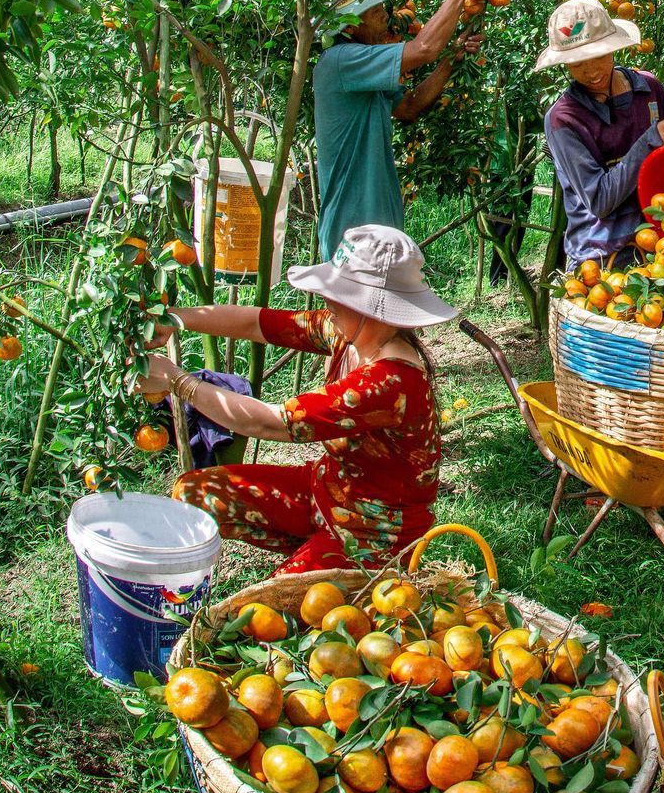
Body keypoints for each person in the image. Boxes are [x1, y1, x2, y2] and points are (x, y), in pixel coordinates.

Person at [142, 225, 454, 575]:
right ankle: (310, 552)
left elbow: (271, 422)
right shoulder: (347, 335)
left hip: (373, 532)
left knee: (265, 615)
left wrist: (177, 381)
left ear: (374, 308)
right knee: (194, 494)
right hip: (325, 491)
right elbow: (257, 324)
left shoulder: (389, 382)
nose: (328, 303)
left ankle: (367, 569)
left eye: (340, 296)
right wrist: (175, 320)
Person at [535, 0, 664, 266]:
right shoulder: (564, 119)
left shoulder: (648, 88)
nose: (591, 71)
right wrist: (651, 139)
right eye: (576, 64)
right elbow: (600, 201)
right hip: (601, 257)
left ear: (612, 48)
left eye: (598, 57)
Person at [312, 0, 493, 259]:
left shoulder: (365, 67)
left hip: (380, 221)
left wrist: (452, 59)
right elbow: (423, 49)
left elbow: (409, 107)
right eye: (374, 10)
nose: (385, 13)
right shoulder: (340, 61)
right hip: (352, 226)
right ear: (351, 26)